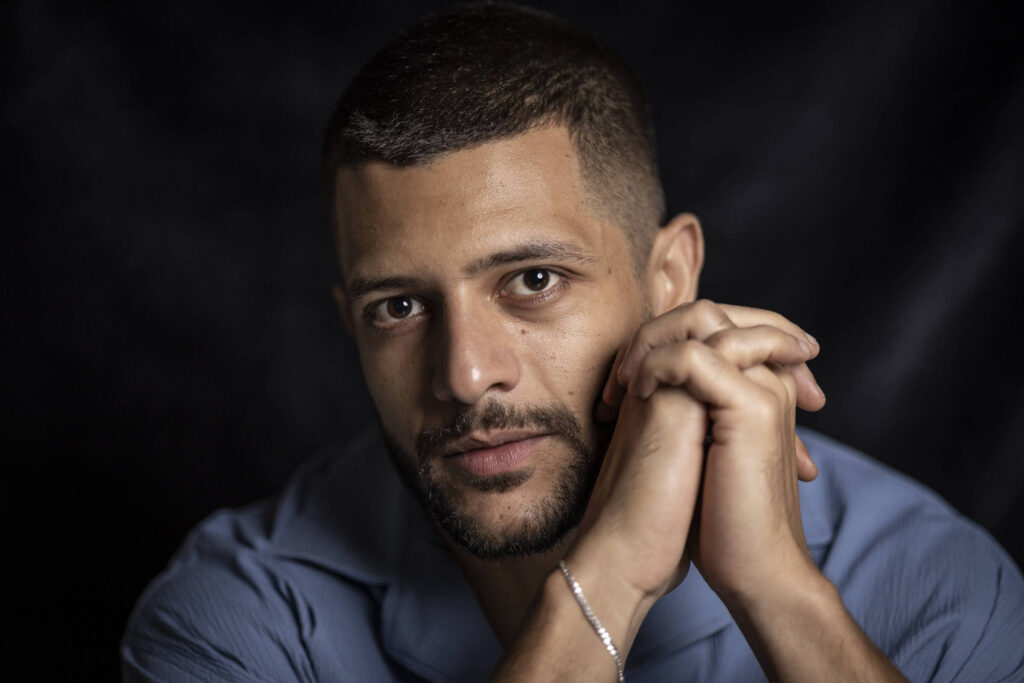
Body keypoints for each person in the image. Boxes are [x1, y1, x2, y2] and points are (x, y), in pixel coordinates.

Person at [121, 4, 1024, 681]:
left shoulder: (933, 585)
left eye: (534, 281)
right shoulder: (235, 620)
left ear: (670, 278)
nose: (468, 374)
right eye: (398, 308)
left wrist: (782, 597)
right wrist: (608, 583)